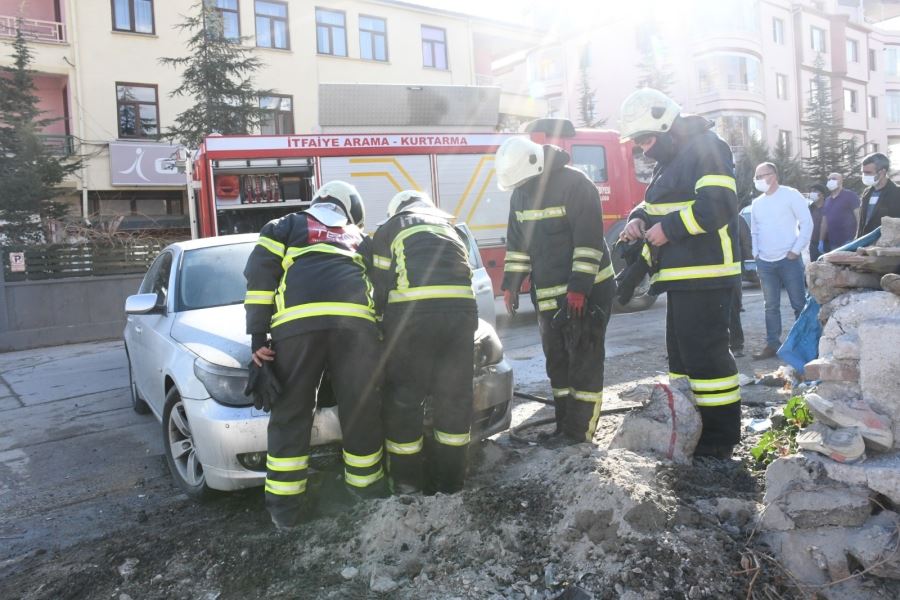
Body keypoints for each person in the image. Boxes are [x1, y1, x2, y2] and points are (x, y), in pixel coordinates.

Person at [243, 180, 385, 530]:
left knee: (291, 414)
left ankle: (285, 513)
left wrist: (258, 337)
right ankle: (366, 496)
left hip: (296, 329)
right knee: (360, 409)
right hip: (355, 327)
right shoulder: (358, 237)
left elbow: (260, 280)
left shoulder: (284, 227)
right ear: (350, 209)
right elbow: (380, 285)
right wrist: (380, 333)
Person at [617, 88, 741, 459]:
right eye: (638, 143)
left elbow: (718, 205)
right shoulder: (671, 160)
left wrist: (669, 229)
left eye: (647, 140)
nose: (643, 148)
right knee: (683, 359)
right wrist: (638, 218)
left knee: (707, 359)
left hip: (706, 272)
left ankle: (719, 440)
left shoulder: (708, 148)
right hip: (682, 275)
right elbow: (656, 201)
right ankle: (693, 427)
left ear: (668, 126)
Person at [495, 136, 615, 446]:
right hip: (548, 294)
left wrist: (578, 289)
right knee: (558, 362)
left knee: (584, 361)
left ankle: (580, 433)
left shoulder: (576, 185)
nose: (521, 187)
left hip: (586, 293)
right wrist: (511, 284)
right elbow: (517, 245)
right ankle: (564, 426)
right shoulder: (520, 195)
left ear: (536, 166)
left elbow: (588, 242)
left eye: (523, 181)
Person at [367, 190, 477, 494]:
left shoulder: (390, 229)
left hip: (412, 319)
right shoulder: (451, 228)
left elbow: (378, 284)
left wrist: (378, 327)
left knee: (404, 400)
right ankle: (451, 483)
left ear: (397, 209)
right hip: (461, 316)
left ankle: (407, 484)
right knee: (454, 399)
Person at [750, 162, 813, 360]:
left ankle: (802, 344)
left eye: (763, 176)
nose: (759, 180)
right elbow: (755, 230)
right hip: (765, 262)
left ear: (774, 175)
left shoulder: (791, 195)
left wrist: (795, 251)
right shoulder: (757, 203)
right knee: (771, 305)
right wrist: (756, 253)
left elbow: (807, 223)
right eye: (756, 177)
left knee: (798, 303)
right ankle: (772, 345)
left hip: (789, 259)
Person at [858, 152, 900, 237]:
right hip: (864, 244)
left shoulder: (896, 193)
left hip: (886, 246)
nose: (865, 176)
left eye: (868, 172)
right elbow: (862, 222)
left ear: (882, 172)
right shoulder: (867, 193)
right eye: (863, 172)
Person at [821, 173, 861, 252]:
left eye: (834, 179)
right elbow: (824, 222)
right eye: (829, 179)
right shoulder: (828, 200)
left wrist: (858, 236)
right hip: (833, 242)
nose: (831, 181)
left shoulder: (850, 195)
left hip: (849, 241)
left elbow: (859, 217)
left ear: (841, 181)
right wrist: (821, 240)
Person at [807, 183, 827, 261]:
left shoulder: (828, 206)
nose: (812, 193)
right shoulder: (811, 207)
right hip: (813, 243)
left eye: (815, 191)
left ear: (822, 194)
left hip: (827, 243)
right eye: (811, 191)